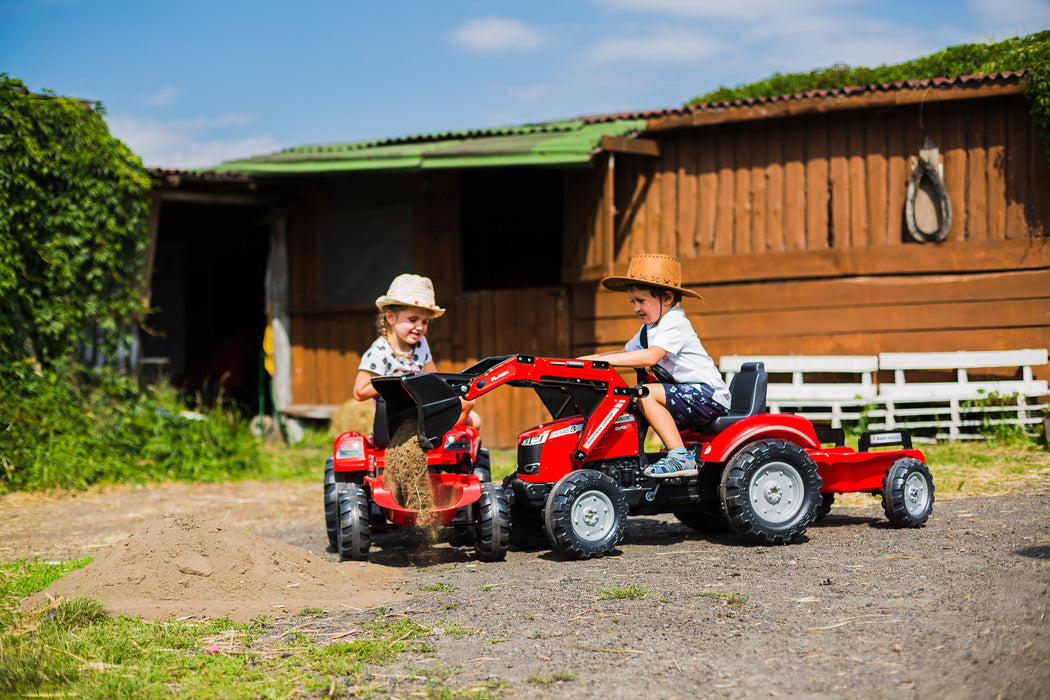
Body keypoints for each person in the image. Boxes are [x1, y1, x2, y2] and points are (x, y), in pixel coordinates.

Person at [580, 253, 730, 478]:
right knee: (629, 400)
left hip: (708, 396)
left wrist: (600, 361)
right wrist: (585, 361)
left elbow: (650, 357)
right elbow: (625, 354)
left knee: (645, 393)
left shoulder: (674, 321)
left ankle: (680, 456)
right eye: (633, 302)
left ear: (667, 297)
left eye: (641, 301)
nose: (636, 308)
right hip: (686, 395)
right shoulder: (649, 330)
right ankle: (625, 461)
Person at [353, 273, 479, 429]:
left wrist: (452, 391)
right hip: (397, 417)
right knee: (464, 407)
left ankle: (445, 437)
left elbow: (434, 378)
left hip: (422, 407)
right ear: (391, 317)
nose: (420, 327)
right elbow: (359, 392)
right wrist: (393, 380)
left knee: (474, 418)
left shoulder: (421, 344)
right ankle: (439, 434)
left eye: (425, 322)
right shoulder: (379, 352)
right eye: (413, 320)